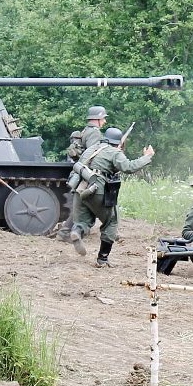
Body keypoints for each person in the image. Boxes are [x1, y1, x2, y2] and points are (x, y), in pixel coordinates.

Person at [69, 127, 154, 268]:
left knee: (83, 220)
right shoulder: (114, 152)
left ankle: (76, 232)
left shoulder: (92, 149)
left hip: (80, 188)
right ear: (118, 142)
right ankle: (102, 259)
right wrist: (147, 157)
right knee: (111, 222)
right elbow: (129, 167)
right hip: (98, 189)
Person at [57, 106, 107, 242]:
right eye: (103, 118)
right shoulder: (95, 133)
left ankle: (65, 232)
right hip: (88, 173)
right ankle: (109, 230)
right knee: (97, 203)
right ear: (98, 119)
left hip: (82, 170)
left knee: (81, 206)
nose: (104, 122)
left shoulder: (85, 131)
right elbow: (94, 154)